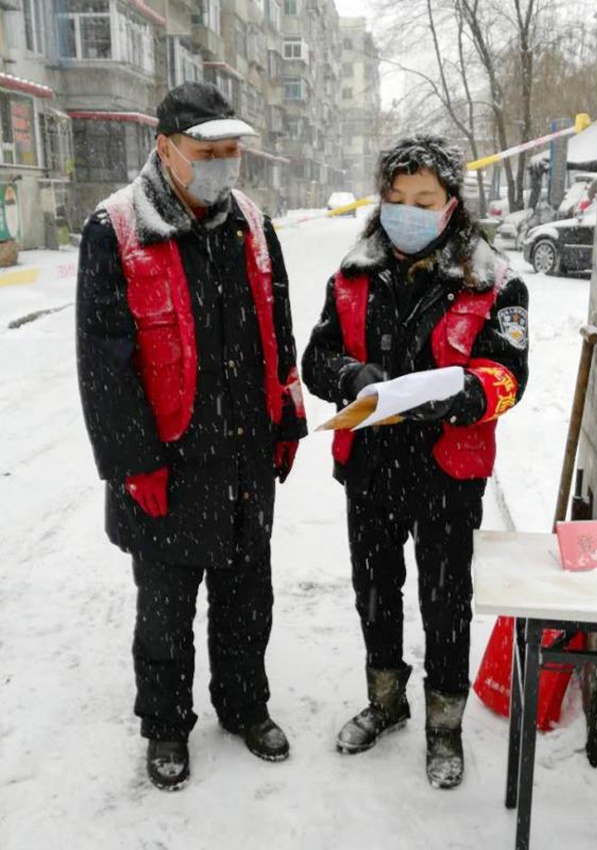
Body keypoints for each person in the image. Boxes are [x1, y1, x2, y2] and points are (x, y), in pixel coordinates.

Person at [76, 82, 307, 791]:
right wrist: (132, 463)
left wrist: (287, 415)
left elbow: (279, 330)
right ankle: (167, 725)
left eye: (231, 151)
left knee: (247, 599)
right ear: (166, 150)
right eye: (207, 152)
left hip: (244, 454)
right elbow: (104, 362)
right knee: (166, 613)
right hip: (168, 465)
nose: (222, 165)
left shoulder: (251, 223)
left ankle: (244, 705)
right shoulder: (117, 230)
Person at [302, 135, 528, 789]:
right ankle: (385, 701)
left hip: (447, 472)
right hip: (370, 466)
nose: (406, 211)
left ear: (451, 204)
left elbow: (509, 374)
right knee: (375, 593)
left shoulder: (495, 282)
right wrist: (350, 376)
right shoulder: (352, 276)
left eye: (423, 200)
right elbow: (316, 359)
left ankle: (444, 724)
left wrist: (465, 392)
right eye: (395, 199)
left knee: (445, 599)